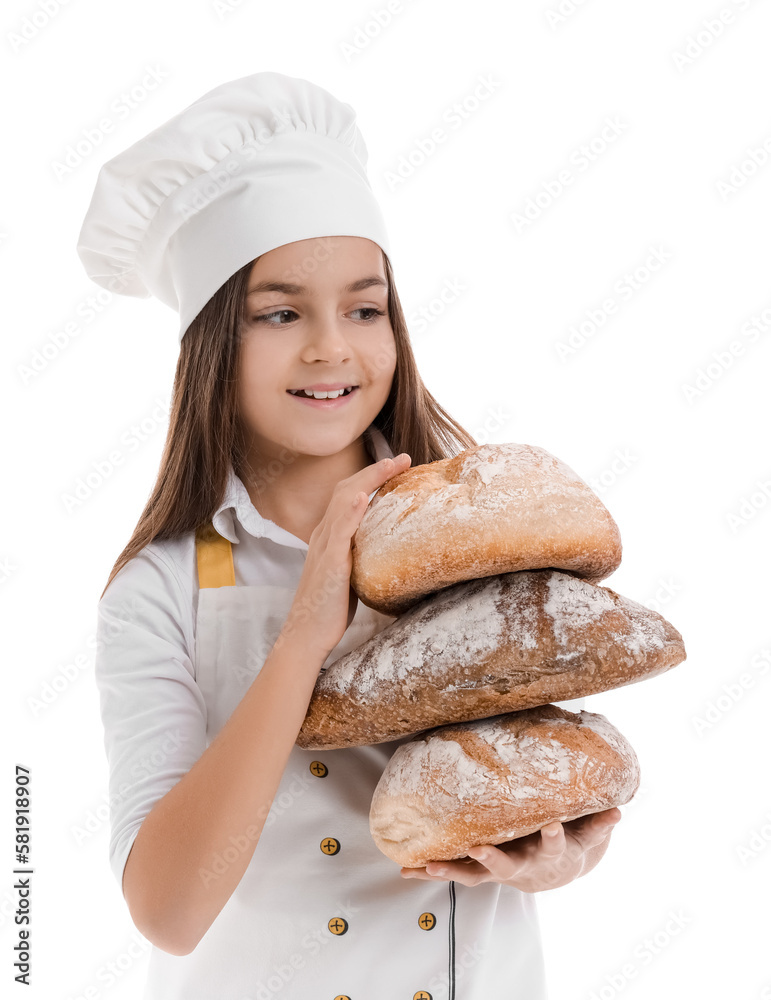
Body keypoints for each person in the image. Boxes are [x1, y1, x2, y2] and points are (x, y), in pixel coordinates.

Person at [77, 70, 621, 1000]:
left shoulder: (479, 532)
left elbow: (540, 758)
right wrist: (303, 634)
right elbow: (167, 914)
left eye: (365, 308)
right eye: (280, 313)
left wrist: (555, 855)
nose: (332, 346)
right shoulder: (163, 588)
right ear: (213, 343)